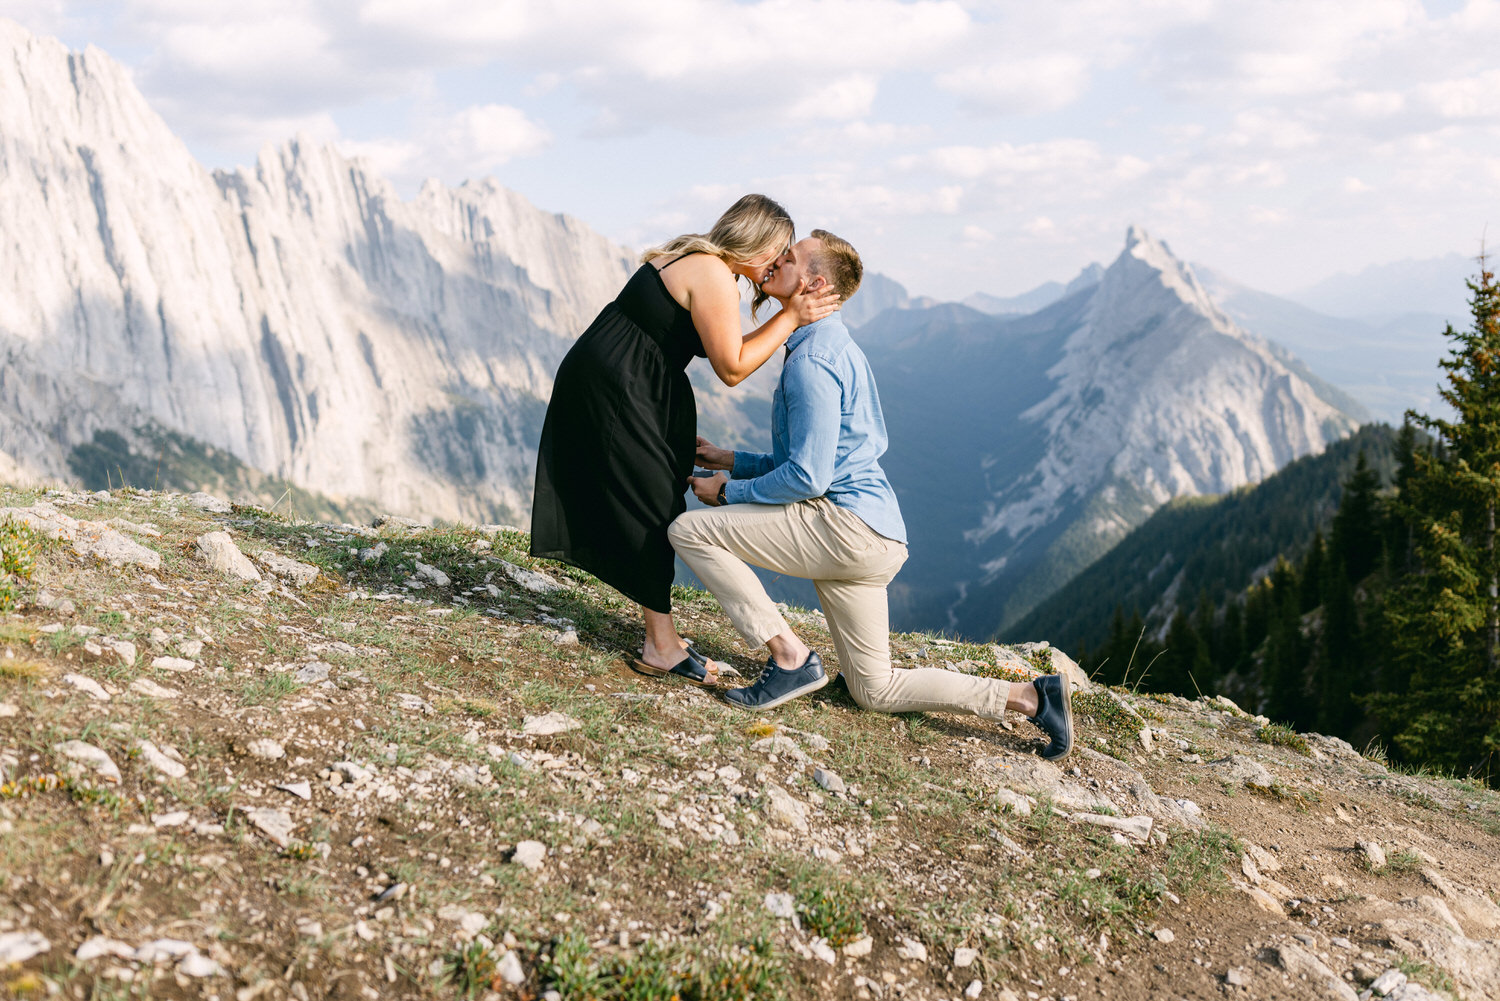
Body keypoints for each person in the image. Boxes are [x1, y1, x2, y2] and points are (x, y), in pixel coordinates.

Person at [668, 230, 1073, 759]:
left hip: (843, 527)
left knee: (690, 531)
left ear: (813, 284)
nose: (775, 261)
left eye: (788, 257)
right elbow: (814, 462)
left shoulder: (811, 364)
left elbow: (809, 479)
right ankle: (1031, 697)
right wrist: (731, 459)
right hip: (876, 536)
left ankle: (789, 658)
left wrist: (728, 491)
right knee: (874, 688)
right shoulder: (834, 345)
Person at [531, 195, 840, 687]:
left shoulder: (692, 257)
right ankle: (662, 645)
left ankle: (662, 636)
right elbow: (733, 368)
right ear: (753, 238)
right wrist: (792, 317)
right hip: (621, 388)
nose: (777, 265)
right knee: (654, 501)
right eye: (777, 252)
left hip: (624, 380)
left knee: (657, 490)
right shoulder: (714, 273)